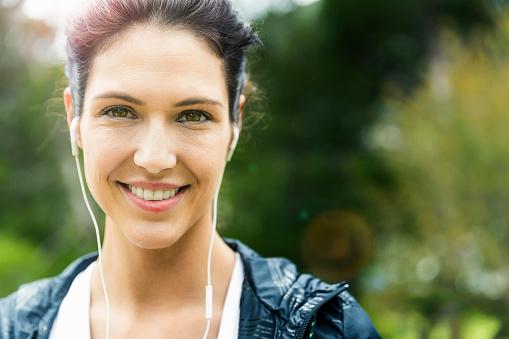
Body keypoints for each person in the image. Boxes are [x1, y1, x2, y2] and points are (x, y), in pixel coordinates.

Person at [0, 0, 381, 338]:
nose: (154, 158)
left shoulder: (325, 328)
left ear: (235, 125)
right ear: (75, 120)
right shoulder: (12, 327)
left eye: (193, 115)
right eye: (119, 111)